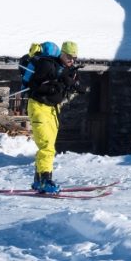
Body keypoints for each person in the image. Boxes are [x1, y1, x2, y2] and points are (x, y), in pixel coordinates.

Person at [23, 40, 81, 194]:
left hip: (53, 110)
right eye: (69, 56)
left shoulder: (67, 69)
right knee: (46, 146)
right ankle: (45, 180)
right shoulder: (47, 65)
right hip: (38, 107)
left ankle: (38, 180)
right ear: (62, 53)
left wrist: (72, 84)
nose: (71, 60)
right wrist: (59, 83)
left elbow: (69, 86)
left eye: (74, 57)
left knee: (49, 146)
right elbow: (36, 86)